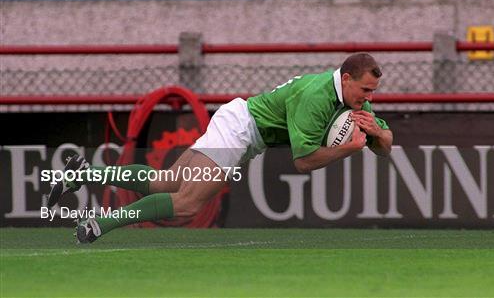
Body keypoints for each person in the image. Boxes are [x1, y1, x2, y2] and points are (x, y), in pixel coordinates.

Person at [47, 53, 393, 243]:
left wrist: (378, 132)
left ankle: (84, 173)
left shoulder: (356, 104)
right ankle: (99, 224)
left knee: (167, 183)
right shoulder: (316, 98)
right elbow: (303, 163)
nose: (369, 98)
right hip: (240, 128)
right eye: (365, 90)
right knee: (186, 204)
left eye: (373, 92)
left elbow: (384, 146)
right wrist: (349, 149)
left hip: (243, 130)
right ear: (346, 79)